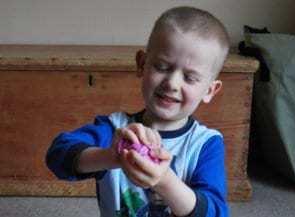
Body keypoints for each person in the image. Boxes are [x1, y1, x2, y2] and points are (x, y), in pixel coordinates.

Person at [46, 6, 230, 217]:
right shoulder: (115, 129)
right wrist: (112, 156)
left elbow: (216, 213)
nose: (172, 83)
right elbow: (57, 155)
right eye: (162, 66)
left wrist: (164, 182)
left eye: (190, 78)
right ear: (142, 64)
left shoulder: (205, 144)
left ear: (209, 90)